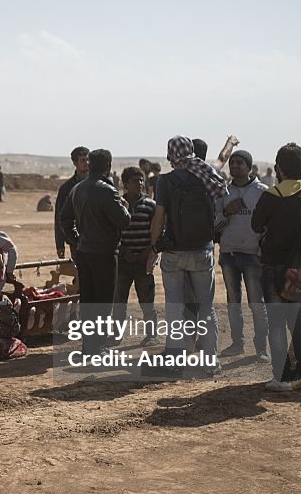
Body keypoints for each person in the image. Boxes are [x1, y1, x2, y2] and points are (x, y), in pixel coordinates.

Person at [251, 143, 301, 392]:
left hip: (275, 267)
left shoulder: (271, 195)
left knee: (276, 323)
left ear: (278, 168)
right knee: (300, 322)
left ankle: (282, 378)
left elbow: (256, 225)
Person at [147, 136, 227, 375]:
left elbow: (159, 217)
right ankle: (211, 361)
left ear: (170, 155)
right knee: (206, 307)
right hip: (202, 250)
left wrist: (154, 247)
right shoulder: (206, 175)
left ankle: (176, 360)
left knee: (174, 307)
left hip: (174, 252)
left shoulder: (165, 181)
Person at [59, 148, 131, 353]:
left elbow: (65, 219)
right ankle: (97, 346)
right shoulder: (107, 190)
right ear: (108, 167)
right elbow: (124, 221)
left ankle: (88, 345)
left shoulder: (78, 189)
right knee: (103, 302)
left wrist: (76, 240)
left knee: (89, 300)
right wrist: (125, 205)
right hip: (104, 253)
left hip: (84, 252)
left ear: (90, 164)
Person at [215, 150, 269, 362]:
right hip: (229, 254)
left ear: (249, 167)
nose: (235, 166)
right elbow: (215, 224)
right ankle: (237, 344)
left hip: (252, 256)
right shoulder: (223, 192)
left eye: (240, 163)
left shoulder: (262, 191)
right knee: (233, 302)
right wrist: (227, 212)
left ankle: (261, 348)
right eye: (233, 162)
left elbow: (268, 226)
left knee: (257, 303)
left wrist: (261, 251)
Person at [115, 166, 157, 346]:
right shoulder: (118, 204)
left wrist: (147, 252)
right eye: (134, 181)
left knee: (147, 300)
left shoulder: (150, 205)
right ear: (125, 184)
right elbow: (114, 232)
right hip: (123, 262)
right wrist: (124, 251)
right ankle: (116, 335)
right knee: (119, 301)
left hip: (143, 262)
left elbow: (156, 231)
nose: (139, 184)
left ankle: (151, 335)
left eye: (141, 180)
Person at [54, 146, 90, 260]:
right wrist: (60, 244)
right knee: (80, 274)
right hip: (76, 240)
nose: (87, 163)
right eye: (83, 160)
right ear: (75, 163)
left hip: (97, 239)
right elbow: (60, 217)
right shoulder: (67, 188)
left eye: (88, 159)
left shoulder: (99, 184)